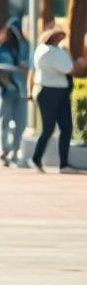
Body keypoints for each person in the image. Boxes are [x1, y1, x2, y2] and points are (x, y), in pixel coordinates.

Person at [30, 24, 87, 173]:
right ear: (54, 37)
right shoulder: (53, 52)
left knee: (62, 128)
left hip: (53, 93)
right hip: (52, 93)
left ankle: (62, 163)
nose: (62, 39)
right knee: (52, 128)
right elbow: (69, 68)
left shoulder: (41, 49)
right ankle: (39, 159)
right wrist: (80, 63)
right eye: (60, 36)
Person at [0, 17, 30, 167]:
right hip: (4, 91)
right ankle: (5, 151)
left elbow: (29, 68)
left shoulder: (25, 47)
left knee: (21, 124)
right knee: (3, 122)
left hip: (22, 92)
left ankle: (15, 150)